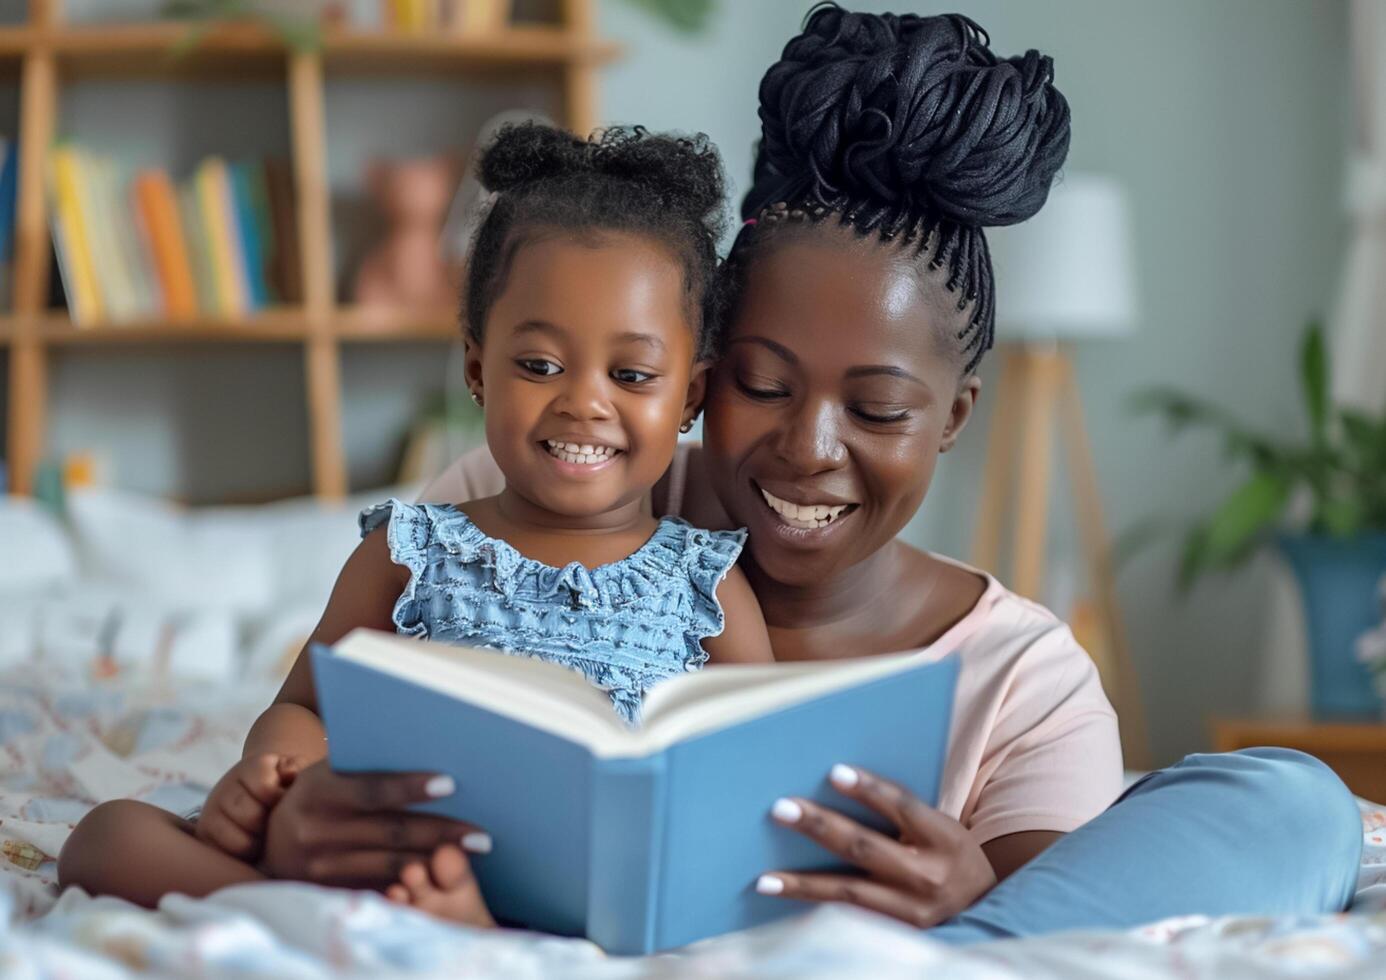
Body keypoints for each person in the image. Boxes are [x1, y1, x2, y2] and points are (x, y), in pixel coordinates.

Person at [416, 5, 1364, 938]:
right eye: (762, 384)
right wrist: (301, 806)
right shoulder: (520, 502)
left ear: (953, 416)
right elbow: (340, 725)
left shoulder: (1022, 680)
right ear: (698, 378)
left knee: (1294, 802)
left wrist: (977, 894)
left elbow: (1081, 922)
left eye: (876, 410)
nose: (811, 448)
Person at [57, 123, 773, 923]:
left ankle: (456, 933)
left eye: (632, 374)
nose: (584, 401)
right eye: (539, 365)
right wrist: (273, 769)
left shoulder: (703, 585)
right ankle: (289, 909)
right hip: (395, 846)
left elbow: (757, 774)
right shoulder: (412, 551)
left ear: (691, 398)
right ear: (477, 368)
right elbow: (303, 703)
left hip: (589, 884)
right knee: (106, 835)